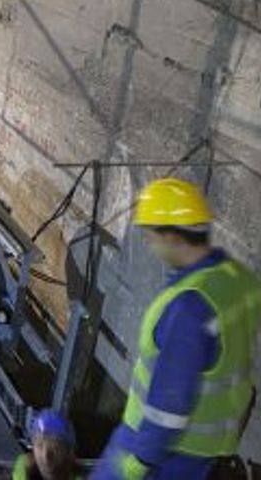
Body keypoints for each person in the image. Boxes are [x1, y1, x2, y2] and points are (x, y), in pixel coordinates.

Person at [91, 178, 261, 480]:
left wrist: (138, 462)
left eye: (150, 235)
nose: (148, 243)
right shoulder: (239, 281)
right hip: (206, 452)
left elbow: (169, 402)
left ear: (171, 236)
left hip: (161, 452)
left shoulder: (188, 307)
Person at [15, 409, 82, 480]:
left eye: (55, 448)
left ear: (69, 453)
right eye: (39, 446)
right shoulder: (23, 470)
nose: (45, 457)